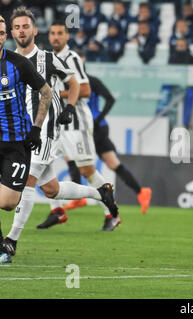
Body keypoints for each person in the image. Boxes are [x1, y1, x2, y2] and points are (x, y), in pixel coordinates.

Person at [0, 8, 119, 261]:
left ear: (34, 30)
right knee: (51, 190)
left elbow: (74, 82)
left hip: (44, 129)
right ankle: (101, 192)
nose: (22, 31)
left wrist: (69, 108)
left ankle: (11, 241)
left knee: (28, 182)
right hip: (20, 132)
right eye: (17, 27)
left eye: (26, 26)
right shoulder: (7, 62)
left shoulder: (47, 58)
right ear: (12, 33)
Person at [40, 20, 120, 231]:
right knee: (41, 161)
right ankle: (57, 211)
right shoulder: (49, 58)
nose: (55, 37)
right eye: (53, 33)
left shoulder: (72, 58)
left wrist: (56, 94)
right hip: (58, 124)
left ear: (67, 36)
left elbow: (85, 90)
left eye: (60, 33)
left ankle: (112, 213)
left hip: (77, 123)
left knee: (87, 170)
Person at [62, 50, 152, 216]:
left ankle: (81, 199)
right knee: (112, 163)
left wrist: (98, 118)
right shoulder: (72, 82)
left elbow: (110, 98)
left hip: (95, 127)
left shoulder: (89, 82)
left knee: (75, 157)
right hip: (91, 126)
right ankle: (141, 192)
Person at [0, 14, 52, 263]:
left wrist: (36, 128)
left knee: (9, 203)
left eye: (1, 33)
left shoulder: (18, 64)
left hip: (17, 142)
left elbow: (46, 92)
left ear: (5, 36)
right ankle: (2, 245)